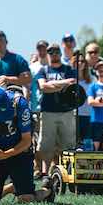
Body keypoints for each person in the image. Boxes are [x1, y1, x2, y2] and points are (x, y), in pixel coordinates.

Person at [0, 85, 61, 205]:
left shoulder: (19, 104)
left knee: (26, 199)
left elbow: (26, 141)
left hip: (20, 151)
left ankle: (47, 191)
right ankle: (12, 187)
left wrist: (4, 155)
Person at [34, 42, 79, 172]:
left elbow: (72, 84)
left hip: (67, 112)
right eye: (51, 52)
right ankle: (45, 172)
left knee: (67, 144)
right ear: (47, 55)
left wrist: (52, 85)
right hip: (48, 112)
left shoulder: (68, 69)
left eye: (56, 52)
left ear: (60, 53)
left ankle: (67, 172)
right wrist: (62, 84)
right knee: (46, 145)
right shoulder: (43, 70)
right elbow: (43, 87)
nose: (54, 55)